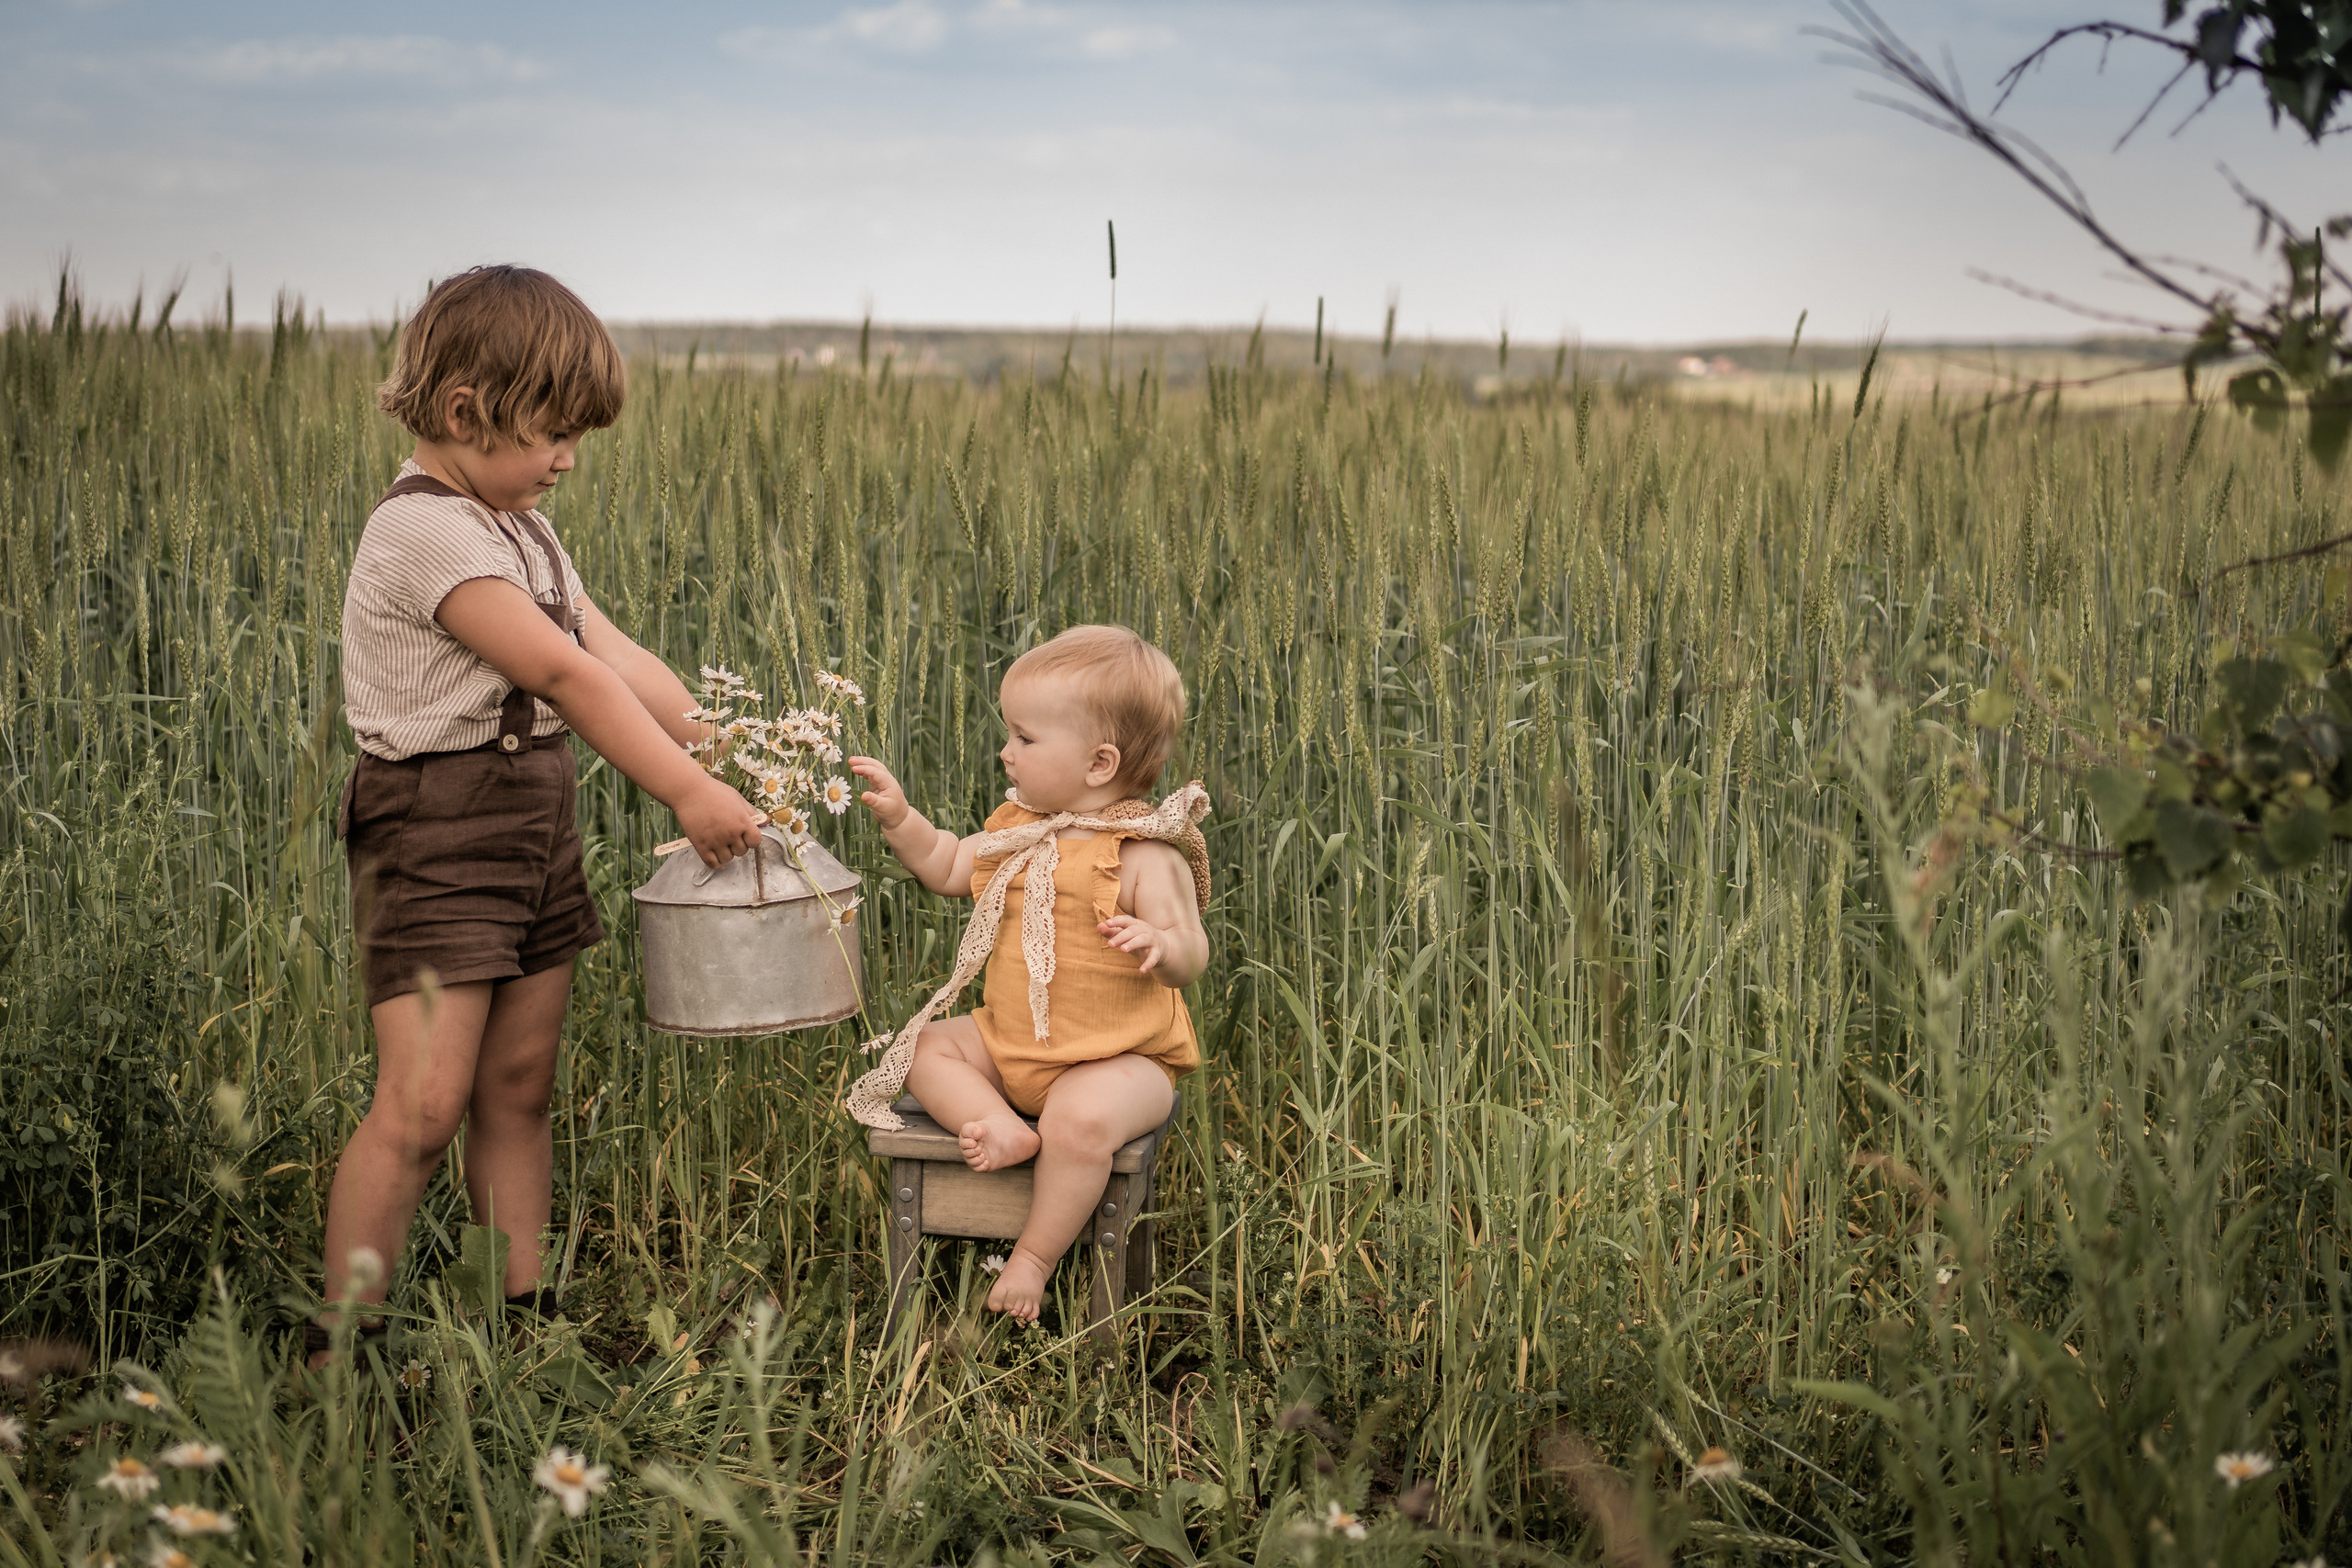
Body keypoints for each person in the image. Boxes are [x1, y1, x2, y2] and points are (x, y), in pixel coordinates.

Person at [313, 265, 765, 1365]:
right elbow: (565, 676)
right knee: (422, 1105)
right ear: (466, 410)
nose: (568, 459)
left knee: (518, 1086)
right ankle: (341, 1345)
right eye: (554, 433)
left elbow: (616, 656)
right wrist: (685, 789)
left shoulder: (522, 528)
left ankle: (513, 1321)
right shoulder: (424, 534)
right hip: (434, 828)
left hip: (530, 822)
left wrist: (726, 746)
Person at [844, 625, 1211, 1324]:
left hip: (1118, 1060)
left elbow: (1193, 949)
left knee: (1081, 1118)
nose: (1006, 751)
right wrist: (901, 818)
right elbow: (947, 863)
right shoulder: (1021, 828)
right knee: (922, 1046)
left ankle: (1035, 1259)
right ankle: (996, 1123)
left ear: (1099, 763)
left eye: (1025, 738)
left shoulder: (1145, 853)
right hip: (1011, 1043)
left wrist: (1161, 943)